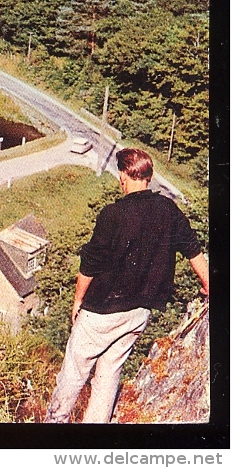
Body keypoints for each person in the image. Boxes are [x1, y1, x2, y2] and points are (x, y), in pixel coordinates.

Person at [45, 147, 209, 423]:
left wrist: (77, 301)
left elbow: (90, 264)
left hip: (101, 312)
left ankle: (54, 424)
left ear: (123, 176)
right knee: (109, 373)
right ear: (149, 176)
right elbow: (193, 251)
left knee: (74, 371)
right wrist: (210, 284)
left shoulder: (112, 214)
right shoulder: (168, 209)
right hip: (139, 313)